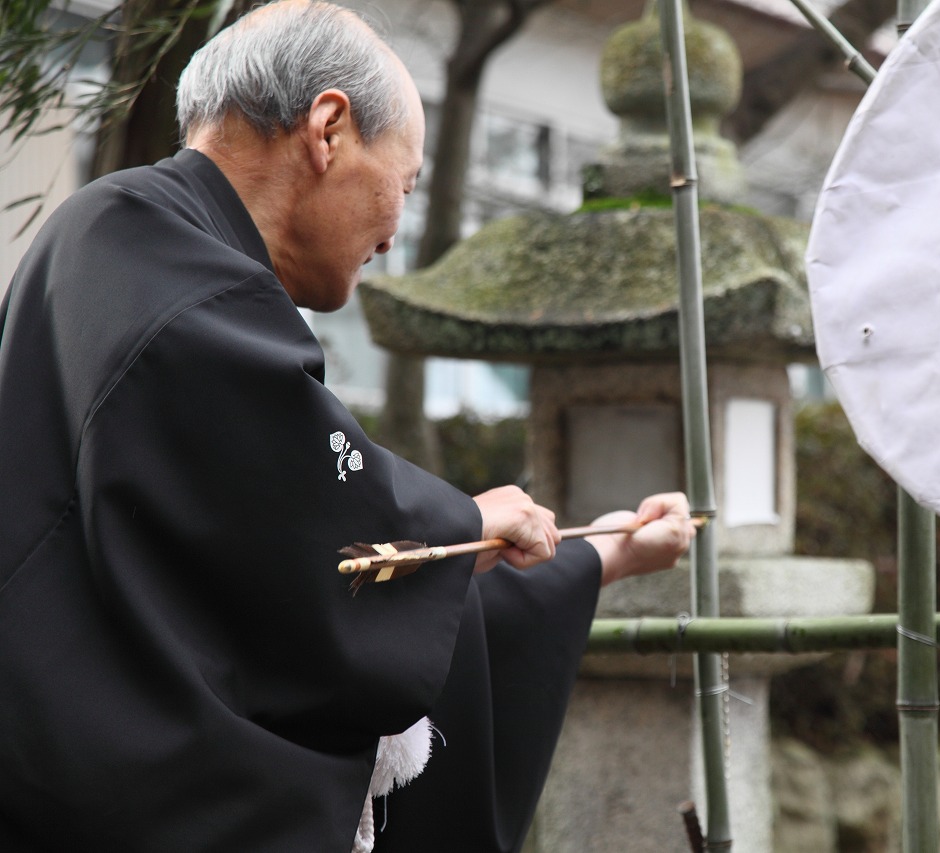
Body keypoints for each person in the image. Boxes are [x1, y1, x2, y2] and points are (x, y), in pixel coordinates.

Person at [0, 2, 697, 850]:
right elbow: (323, 542)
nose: (394, 237)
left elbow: (265, 566)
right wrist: (467, 522)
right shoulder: (190, 282)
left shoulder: (113, 230)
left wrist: (600, 553)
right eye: (404, 186)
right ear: (327, 130)